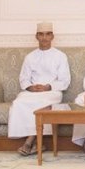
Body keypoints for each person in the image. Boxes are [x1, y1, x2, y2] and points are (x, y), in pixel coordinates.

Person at [11, 22, 71, 157]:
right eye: (41, 34)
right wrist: (31, 87)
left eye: (47, 34)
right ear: (36, 36)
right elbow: (23, 78)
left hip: (52, 92)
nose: (44, 38)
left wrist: (48, 87)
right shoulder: (30, 57)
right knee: (19, 102)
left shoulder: (60, 56)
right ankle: (38, 144)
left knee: (42, 104)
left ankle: (29, 142)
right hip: (32, 92)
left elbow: (65, 80)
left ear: (52, 36)